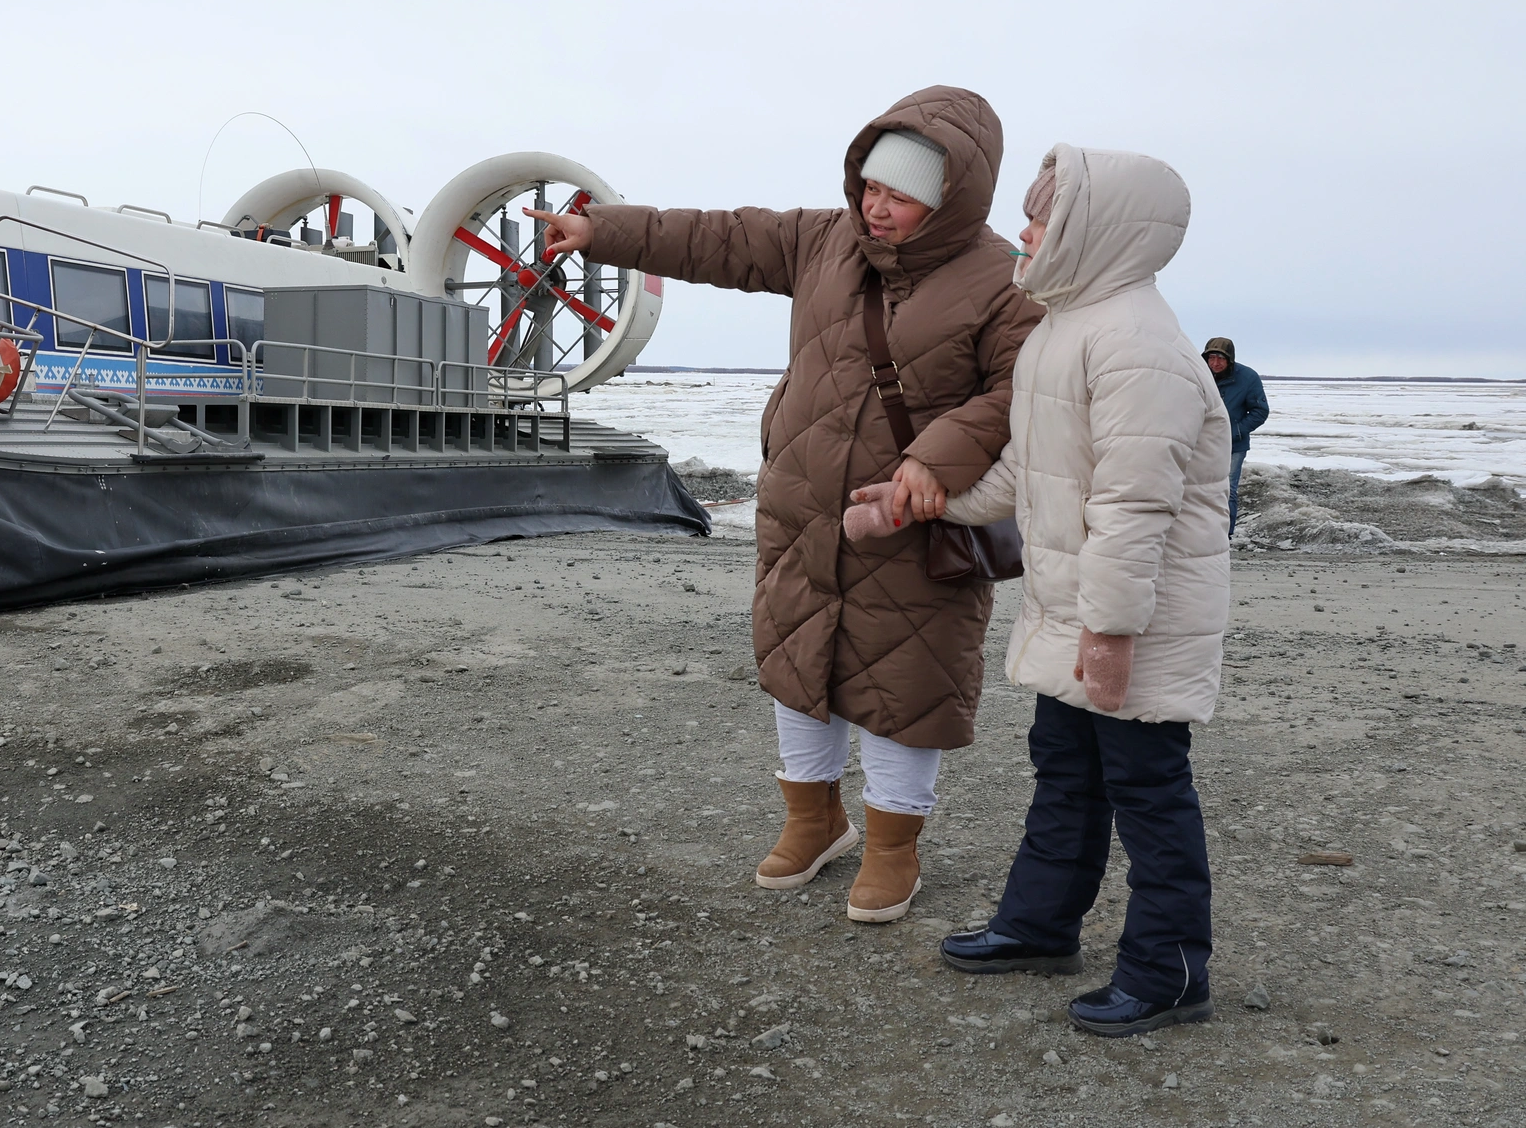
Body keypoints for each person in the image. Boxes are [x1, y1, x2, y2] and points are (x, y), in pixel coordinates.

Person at [529, 86, 1041, 924]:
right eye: (871, 185)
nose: (876, 207)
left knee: (903, 683)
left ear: (954, 197)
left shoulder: (1000, 280)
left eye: (901, 195)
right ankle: (814, 821)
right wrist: (603, 231)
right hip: (804, 505)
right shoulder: (821, 239)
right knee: (796, 664)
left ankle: (892, 850)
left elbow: (1019, 389)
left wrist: (934, 458)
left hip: (909, 519)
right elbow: (717, 238)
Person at [904, 145, 1231, 1038]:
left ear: (1096, 231)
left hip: (1135, 620)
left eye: (1043, 216)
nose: (1025, 230)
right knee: (1065, 774)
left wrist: (1113, 631)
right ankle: (1040, 926)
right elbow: (1031, 467)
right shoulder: (1065, 327)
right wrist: (935, 499)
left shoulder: (1137, 344)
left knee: (1148, 791)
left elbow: (1135, 503)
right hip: (1074, 611)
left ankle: (1169, 972)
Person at [1203, 337, 1268, 534]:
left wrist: (1234, 432)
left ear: (1230, 359)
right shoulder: (1197, 374)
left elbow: (1260, 411)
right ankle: (1200, 535)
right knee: (1198, 489)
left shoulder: (1247, 378)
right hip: (1201, 443)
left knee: (1227, 490)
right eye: (1211, 358)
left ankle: (1224, 536)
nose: (1215, 363)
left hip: (1233, 446)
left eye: (1220, 358)